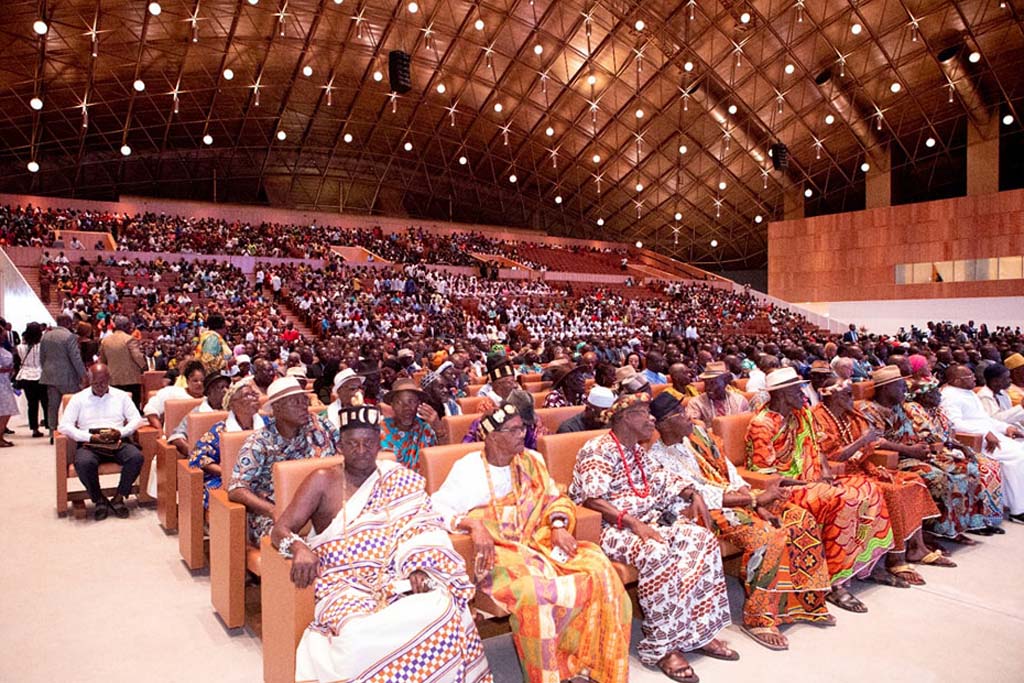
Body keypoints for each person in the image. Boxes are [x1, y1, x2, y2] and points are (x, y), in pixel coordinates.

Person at [271, 405, 492, 683]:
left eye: (368, 443)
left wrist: (419, 567)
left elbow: (422, 525)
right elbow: (280, 529)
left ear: (379, 443)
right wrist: (298, 547)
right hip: (341, 582)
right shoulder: (322, 480)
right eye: (352, 443)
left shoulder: (397, 478)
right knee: (358, 637)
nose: (361, 450)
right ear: (340, 445)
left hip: (394, 576)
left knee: (442, 608)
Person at [433, 404, 631, 683]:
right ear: (491, 436)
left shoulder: (532, 460)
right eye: (512, 430)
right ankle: (548, 674)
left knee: (597, 567)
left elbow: (555, 499)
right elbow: (436, 509)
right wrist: (472, 524)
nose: (521, 434)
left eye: (522, 428)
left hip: (539, 539)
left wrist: (559, 525)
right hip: (500, 553)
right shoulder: (468, 469)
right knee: (538, 591)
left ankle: (582, 663)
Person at [571, 394, 738, 683]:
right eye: (644, 413)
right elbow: (592, 500)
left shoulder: (636, 450)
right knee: (657, 553)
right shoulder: (597, 450)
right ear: (625, 418)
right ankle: (662, 648)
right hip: (610, 529)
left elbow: (663, 478)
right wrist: (633, 523)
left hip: (646, 522)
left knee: (702, 540)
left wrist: (692, 492)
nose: (652, 419)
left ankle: (698, 633)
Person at [647, 393, 833, 650]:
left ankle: (804, 602)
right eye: (680, 413)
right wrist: (754, 504)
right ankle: (758, 617)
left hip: (738, 499)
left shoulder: (698, 438)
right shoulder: (657, 457)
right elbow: (699, 495)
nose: (689, 416)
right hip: (702, 511)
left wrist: (752, 498)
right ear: (663, 424)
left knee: (799, 519)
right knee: (765, 536)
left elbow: (729, 472)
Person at [745, 367, 893, 614]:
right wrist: (809, 484)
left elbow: (817, 449)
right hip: (785, 490)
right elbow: (768, 476)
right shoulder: (762, 424)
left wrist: (824, 471)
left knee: (869, 489)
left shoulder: (802, 414)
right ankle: (835, 581)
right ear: (781, 393)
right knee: (840, 499)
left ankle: (868, 564)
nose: (803, 393)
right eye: (796, 389)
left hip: (813, 481)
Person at [814, 372, 949, 587]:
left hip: (861, 467)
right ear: (834, 397)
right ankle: (896, 558)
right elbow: (833, 457)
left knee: (913, 481)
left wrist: (869, 451)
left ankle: (917, 548)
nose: (853, 399)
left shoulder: (852, 415)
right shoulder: (818, 417)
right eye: (849, 395)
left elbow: (871, 445)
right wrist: (863, 441)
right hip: (841, 474)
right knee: (892, 493)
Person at [228, 377, 338, 545]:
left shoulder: (321, 426)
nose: (304, 407)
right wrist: (272, 510)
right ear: (277, 408)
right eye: (295, 402)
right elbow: (236, 489)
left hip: (324, 507)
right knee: (293, 543)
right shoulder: (259, 441)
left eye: (304, 401)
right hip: (277, 511)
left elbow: (343, 453)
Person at [897, 378, 1005, 539]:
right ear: (923, 396)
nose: (938, 395)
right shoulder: (913, 408)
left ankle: (969, 523)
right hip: (926, 452)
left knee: (975, 468)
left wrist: (960, 446)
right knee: (956, 474)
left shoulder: (937, 410)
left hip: (943, 450)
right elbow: (929, 437)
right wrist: (950, 449)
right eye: (934, 392)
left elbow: (948, 433)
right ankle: (944, 528)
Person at [57, 364, 146, 520]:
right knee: (84, 463)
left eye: (103, 383)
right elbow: (64, 426)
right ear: (88, 381)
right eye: (95, 383)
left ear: (109, 379)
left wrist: (121, 432)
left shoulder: (121, 396)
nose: (100, 387)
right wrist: (89, 437)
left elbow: (136, 419)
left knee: (136, 457)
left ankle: (118, 498)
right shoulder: (78, 398)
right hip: (90, 442)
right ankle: (99, 499)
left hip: (117, 439)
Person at [940, 364, 1024, 523]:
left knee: (1021, 447)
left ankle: (1016, 501)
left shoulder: (968, 393)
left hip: (989, 436)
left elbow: (985, 419)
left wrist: (1007, 428)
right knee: (1018, 456)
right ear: (957, 380)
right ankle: (1018, 510)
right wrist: (986, 434)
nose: (975, 378)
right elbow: (953, 424)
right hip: (973, 441)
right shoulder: (949, 396)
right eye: (969, 376)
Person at [188, 378, 264, 507]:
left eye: (254, 394)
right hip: (229, 479)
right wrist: (227, 472)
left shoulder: (268, 424)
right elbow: (199, 457)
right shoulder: (221, 430)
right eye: (247, 395)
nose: (254, 398)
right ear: (233, 404)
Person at [40, 314, 88, 442]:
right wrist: (83, 375)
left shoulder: (46, 335)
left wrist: (46, 370)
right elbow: (75, 358)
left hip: (49, 375)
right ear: (68, 323)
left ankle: (52, 431)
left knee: (52, 405)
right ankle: (70, 431)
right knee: (71, 404)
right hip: (67, 376)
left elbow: (42, 357)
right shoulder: (69, 336)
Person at [380, 377, 441, 468]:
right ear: (392, 405)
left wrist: (439, 429)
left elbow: (442, 460)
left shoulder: (425, 430)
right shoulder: (379, 432)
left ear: (418, 404)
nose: (406, 408)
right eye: (399, 402)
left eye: (411, 402)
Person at [167, 372, 231, 456]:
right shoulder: (197, 413)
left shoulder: (235, 410)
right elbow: (177, 437)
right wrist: (196, 455)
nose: (226, 391)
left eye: (227, 387)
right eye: (221, 387)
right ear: (209, 392)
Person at [142, 360, 206, 431]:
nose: (199, 384)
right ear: (187, 381)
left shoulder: (209, 399)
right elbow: (150, 409)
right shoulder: (172, 392)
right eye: (195, 381)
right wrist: (159, 430)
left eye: (202, 381)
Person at [98, 315, 147, 406]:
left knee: (116, 407)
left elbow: (103, 361)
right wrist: (144, 366)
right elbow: (137, 356)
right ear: (125, 326)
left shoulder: (105, 341)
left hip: (113, 379)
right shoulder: (130, 339)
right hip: (131, 379)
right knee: (132, 408)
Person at [15, 323, 48, 438]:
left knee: (32, 404)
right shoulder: (43, 346)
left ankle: (34, 429)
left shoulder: (20, 347)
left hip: (26, 376)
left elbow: (17, 361)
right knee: (45, 402)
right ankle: (49, 426)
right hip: (41, 375)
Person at [977, 364, 1024, 428]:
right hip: (1000, 432)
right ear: (995, 381)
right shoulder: (984, 397)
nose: (1010, 380)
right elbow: (995, 420)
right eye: (1007, 378)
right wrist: (1021, 406)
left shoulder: (1003, 393)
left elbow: (1013, 417)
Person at [0, 345, 18, 446]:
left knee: (6, 411)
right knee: (5, 411)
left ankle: (1, 435)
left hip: (5, 381)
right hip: (1, 383)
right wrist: (5, 370)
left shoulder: (3, 349)